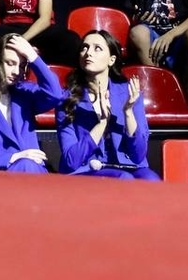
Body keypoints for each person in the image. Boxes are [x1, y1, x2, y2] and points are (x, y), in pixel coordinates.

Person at [56, 29, 160, 179]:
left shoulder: (129, 93)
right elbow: (71, 160)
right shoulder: (67, 99)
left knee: (152, 180)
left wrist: (128, 112)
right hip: (86, 170)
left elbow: (138, 155)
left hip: (128, 166)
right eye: (84, 48)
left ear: (111, 60)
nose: (88, 53)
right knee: (124, 179)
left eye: (97, 48)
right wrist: (102, 124)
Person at [0, 32, 63, 172]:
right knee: (26, 164)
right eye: (10, 63)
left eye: (21, 66)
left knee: (28, 166)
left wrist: (33, 57)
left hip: (32, 171)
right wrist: (13, 157)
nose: (16, 71)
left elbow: (55, 94)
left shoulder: (25, 94)